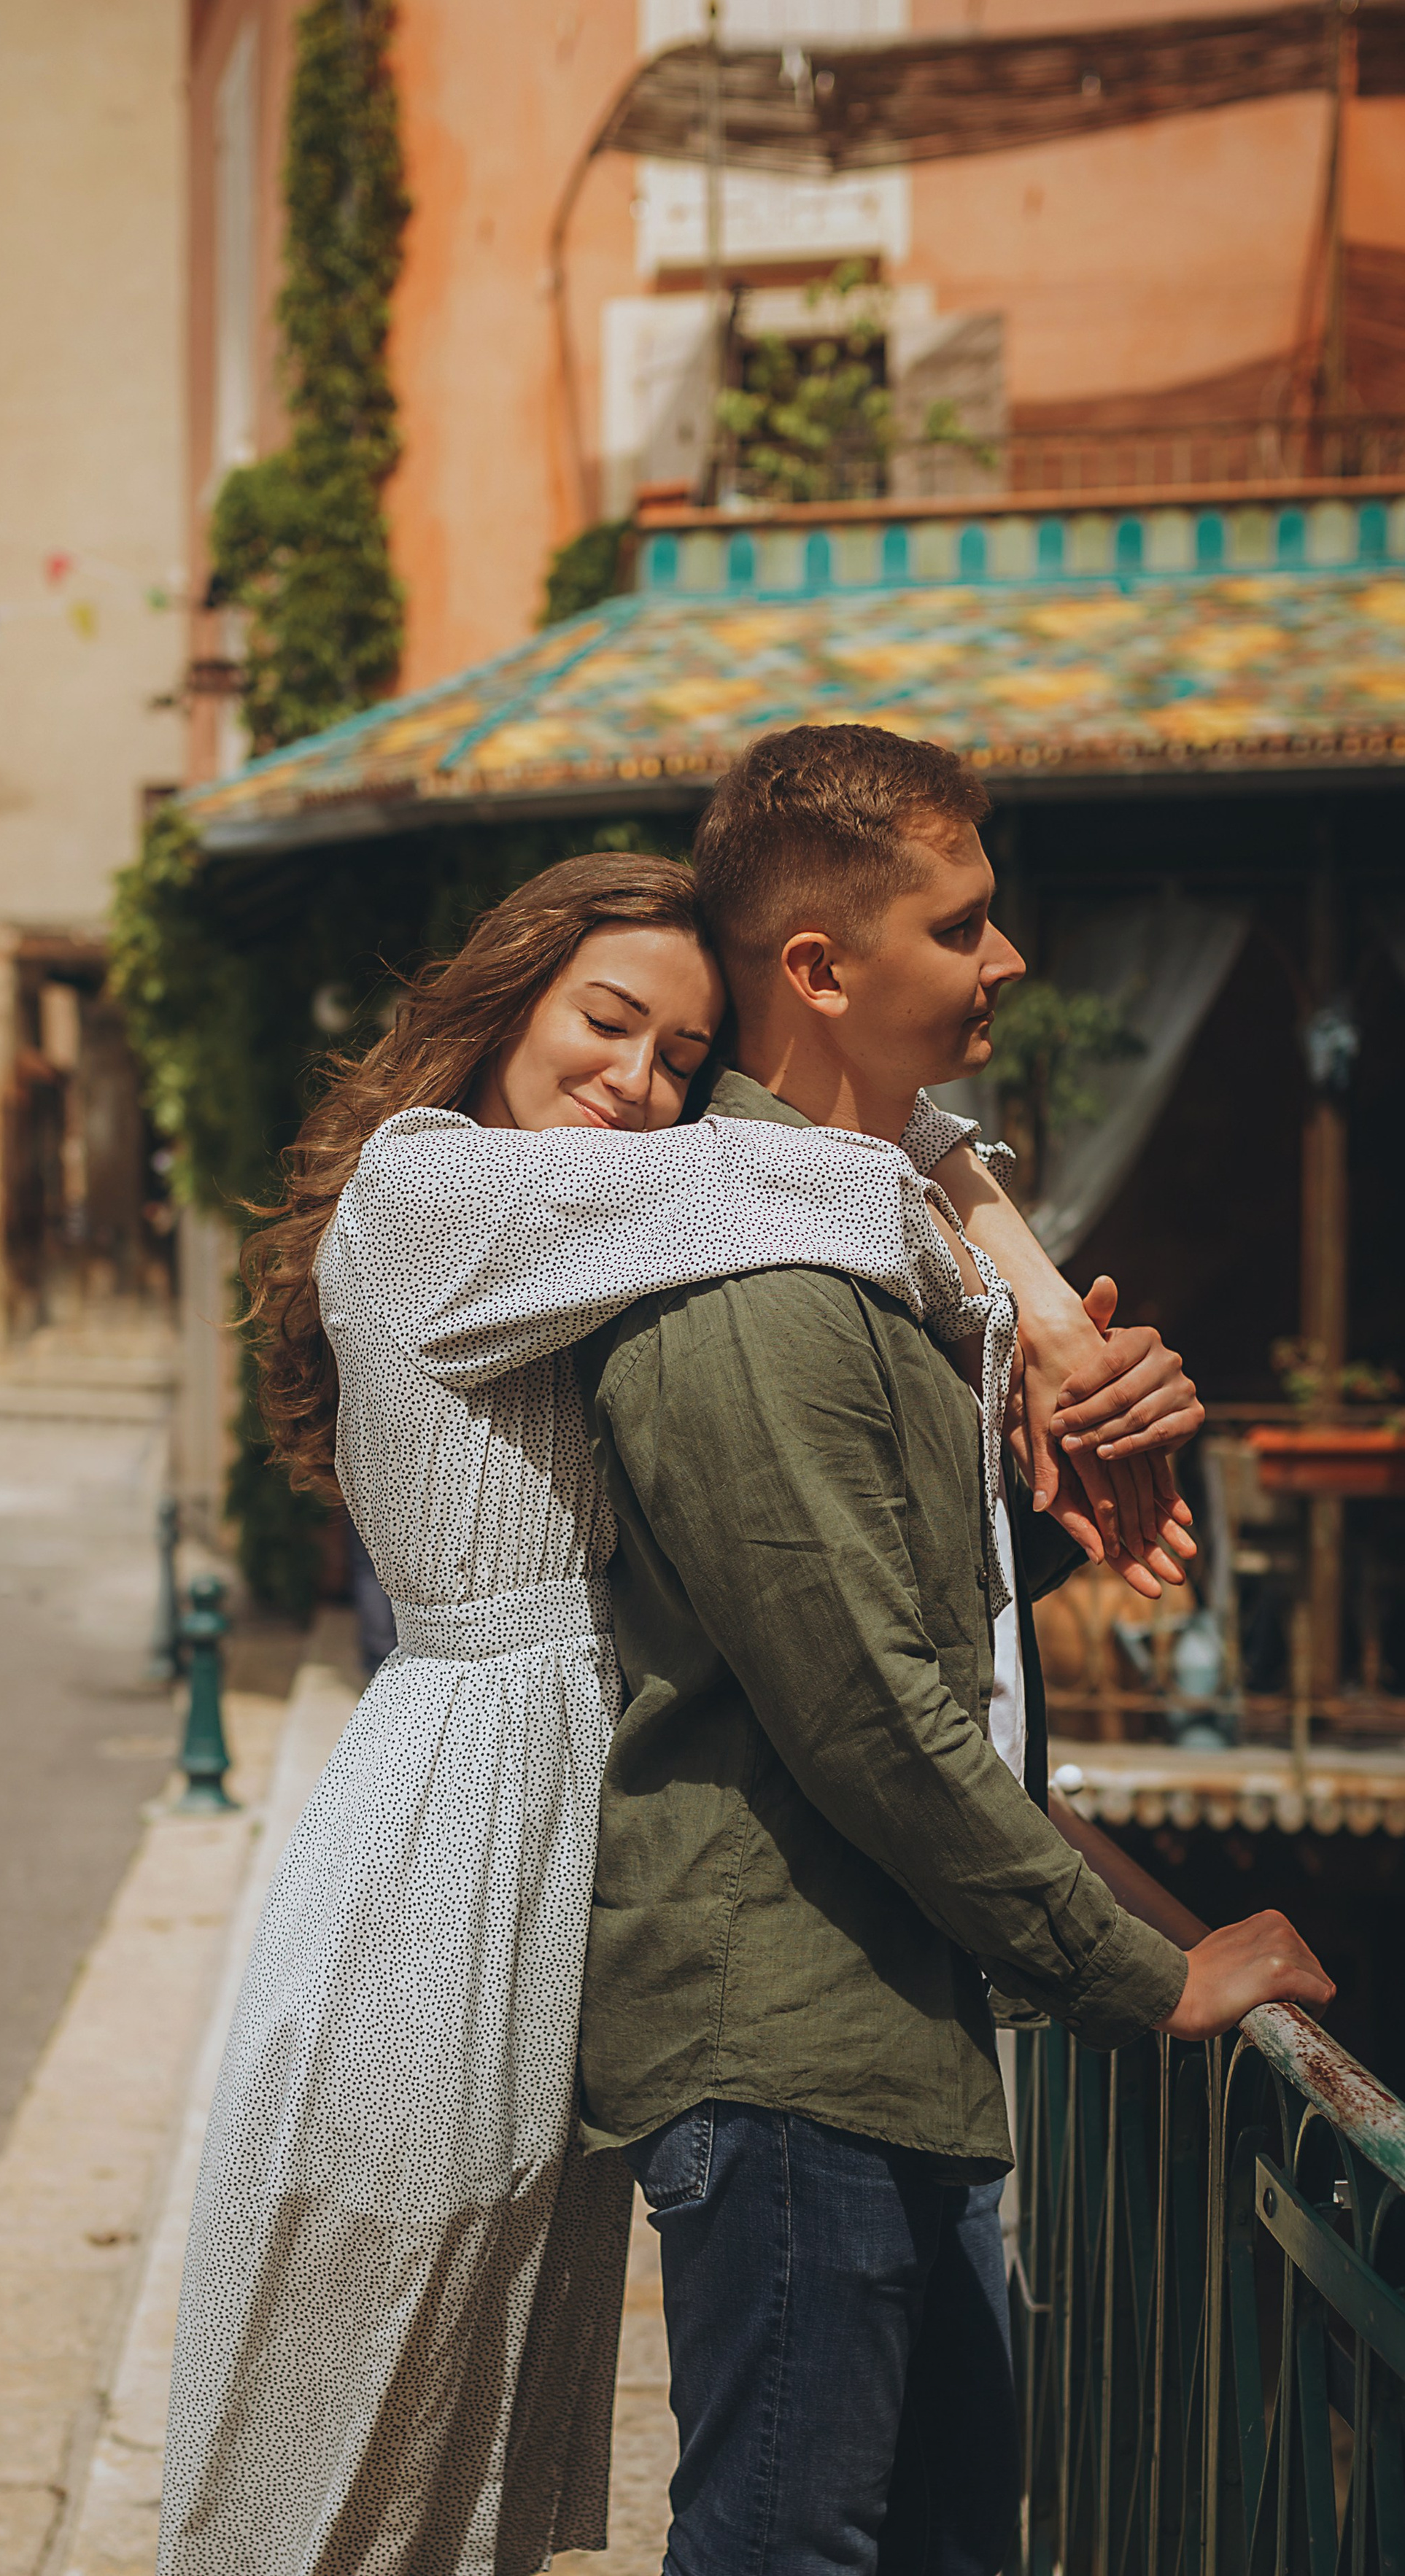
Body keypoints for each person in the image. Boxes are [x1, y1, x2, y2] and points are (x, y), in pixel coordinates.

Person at [154, 844, 1203, 2576]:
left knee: (470, 2427)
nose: (633, 1083)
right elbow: (819, 1172)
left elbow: (829, 1151)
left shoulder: (588, 1219)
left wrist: (1026, 1334)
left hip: (552, 1860)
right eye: (602, 1021)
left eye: (671, 1052)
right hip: (440, 1870)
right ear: (504, 1003)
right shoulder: (434, 1190)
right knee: (347, 2409)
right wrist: (1049, 1333)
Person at [575, 727, 1334, 2576]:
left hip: (875, 2033)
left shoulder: (875, 1245)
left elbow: (923, 1653)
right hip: (781, 2055)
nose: (1006, 962)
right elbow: (867, 1712)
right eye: (964, 923)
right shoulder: (752, 1281)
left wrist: (1055, 1398)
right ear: (820, 971)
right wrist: (1140, 1974)